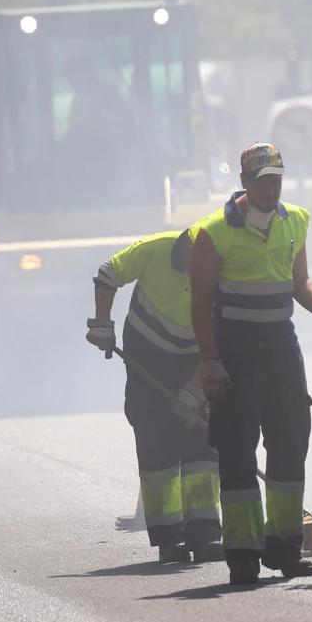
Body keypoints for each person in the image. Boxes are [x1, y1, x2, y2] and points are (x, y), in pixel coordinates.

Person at [189, 142, 312, 585]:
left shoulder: (297, 220)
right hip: (235, 347)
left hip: (280, 347)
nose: (271, 188)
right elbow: (199, 301)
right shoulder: (213, 232)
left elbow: (301, 282)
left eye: (276, 179)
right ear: (244, 184)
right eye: (262, 181)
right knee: (236, 451)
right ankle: (242, 554)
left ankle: (284, 548)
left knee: (290, 444)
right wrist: (209, 360)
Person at [87, 230, 224, 563]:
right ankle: (168, 538)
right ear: (188, 245)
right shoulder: (153, 250)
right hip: (147, 354)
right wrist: (102, 323)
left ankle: (204, 534)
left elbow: (223, 335)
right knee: (155, 441)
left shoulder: (222, 268)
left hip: (196, 354)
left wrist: (195, 387)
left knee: (202, 444)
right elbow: (107, 275)